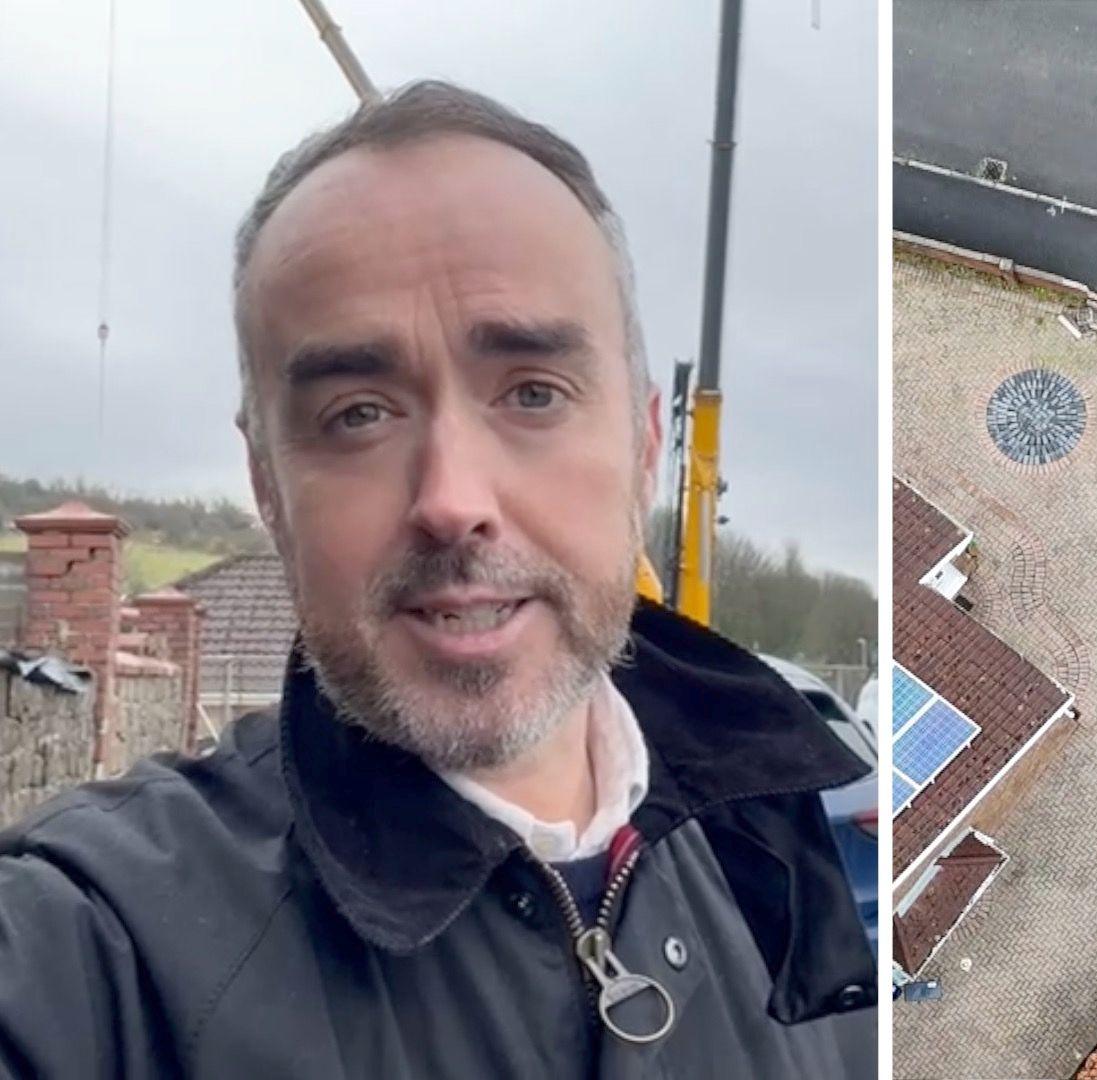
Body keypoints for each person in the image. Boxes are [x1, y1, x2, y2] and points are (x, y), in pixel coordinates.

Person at [0, 82, 874, 1078]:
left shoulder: (776, 858)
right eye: (358, 414)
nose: (452, 500)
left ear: (643, 444)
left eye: (533, 393)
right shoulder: (99, 951)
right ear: (265, 484)